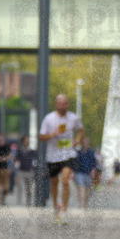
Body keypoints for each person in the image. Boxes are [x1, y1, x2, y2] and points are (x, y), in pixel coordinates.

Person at [38, 94, 84, 223]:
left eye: (64, 104)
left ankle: (64, 209)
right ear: (56, 104)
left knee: (65, 180)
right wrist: (53, 134)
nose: (62, 106)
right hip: (53, 155)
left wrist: (78, 140)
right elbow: (41, 137)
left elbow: (81, 130)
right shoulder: (49, 119)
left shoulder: (74, 118)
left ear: (68, 104)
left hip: (68, 154)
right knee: (54, 182)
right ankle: (55, 206)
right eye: (60, 104)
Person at [14, 135, 37, 207]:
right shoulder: (20, 151)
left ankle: (28, 202)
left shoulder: (32, 152)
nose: (27, 142)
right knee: (20, 186)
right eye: (26, 140)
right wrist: (16, 172)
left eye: (28, 140)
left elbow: (35, 162)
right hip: (21, 171)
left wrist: (34, 170)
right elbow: (17, 161)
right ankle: (19, 202)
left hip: (29, 171)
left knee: (29, 187)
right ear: (23, 142)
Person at [74, 138, 96, 209]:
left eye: (86, 142)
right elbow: (75, 163)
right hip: (79, 172)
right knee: (80, 188)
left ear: (88, 144)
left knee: (87, 191)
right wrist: (73, 173)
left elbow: (93, 163)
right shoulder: (78, 152)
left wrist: (93, 171)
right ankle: (80, 205)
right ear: (82, 143)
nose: (85, 144)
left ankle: (85, 205)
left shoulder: (91, 152)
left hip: (88, 173)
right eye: (83, 142)